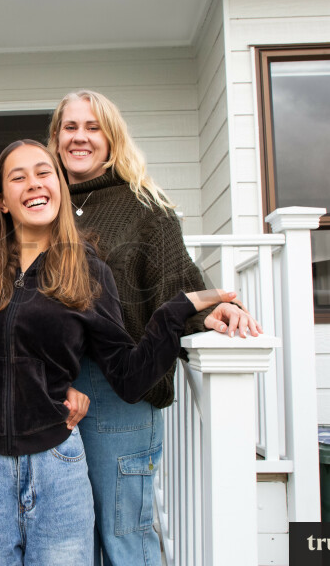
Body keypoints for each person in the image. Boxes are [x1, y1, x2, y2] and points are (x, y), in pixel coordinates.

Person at [0, 139, 237, 565]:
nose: (33, 184)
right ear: (3, 200)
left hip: (57, 465)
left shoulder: (88, 270)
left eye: (44, 172)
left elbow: (129, 376)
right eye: (18, 177)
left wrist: (178, 311)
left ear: (60, 188)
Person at [47, 89, 260, 565]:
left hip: (118, 388)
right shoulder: (41, 202)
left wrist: (211, 314)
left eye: (92, 127)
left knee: (124, 531)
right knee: (62, 535)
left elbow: (175, 283)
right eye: (70, 127)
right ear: (56, 137)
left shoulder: (146, 207)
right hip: (46, 382)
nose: (80, 137)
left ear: (111, 138)